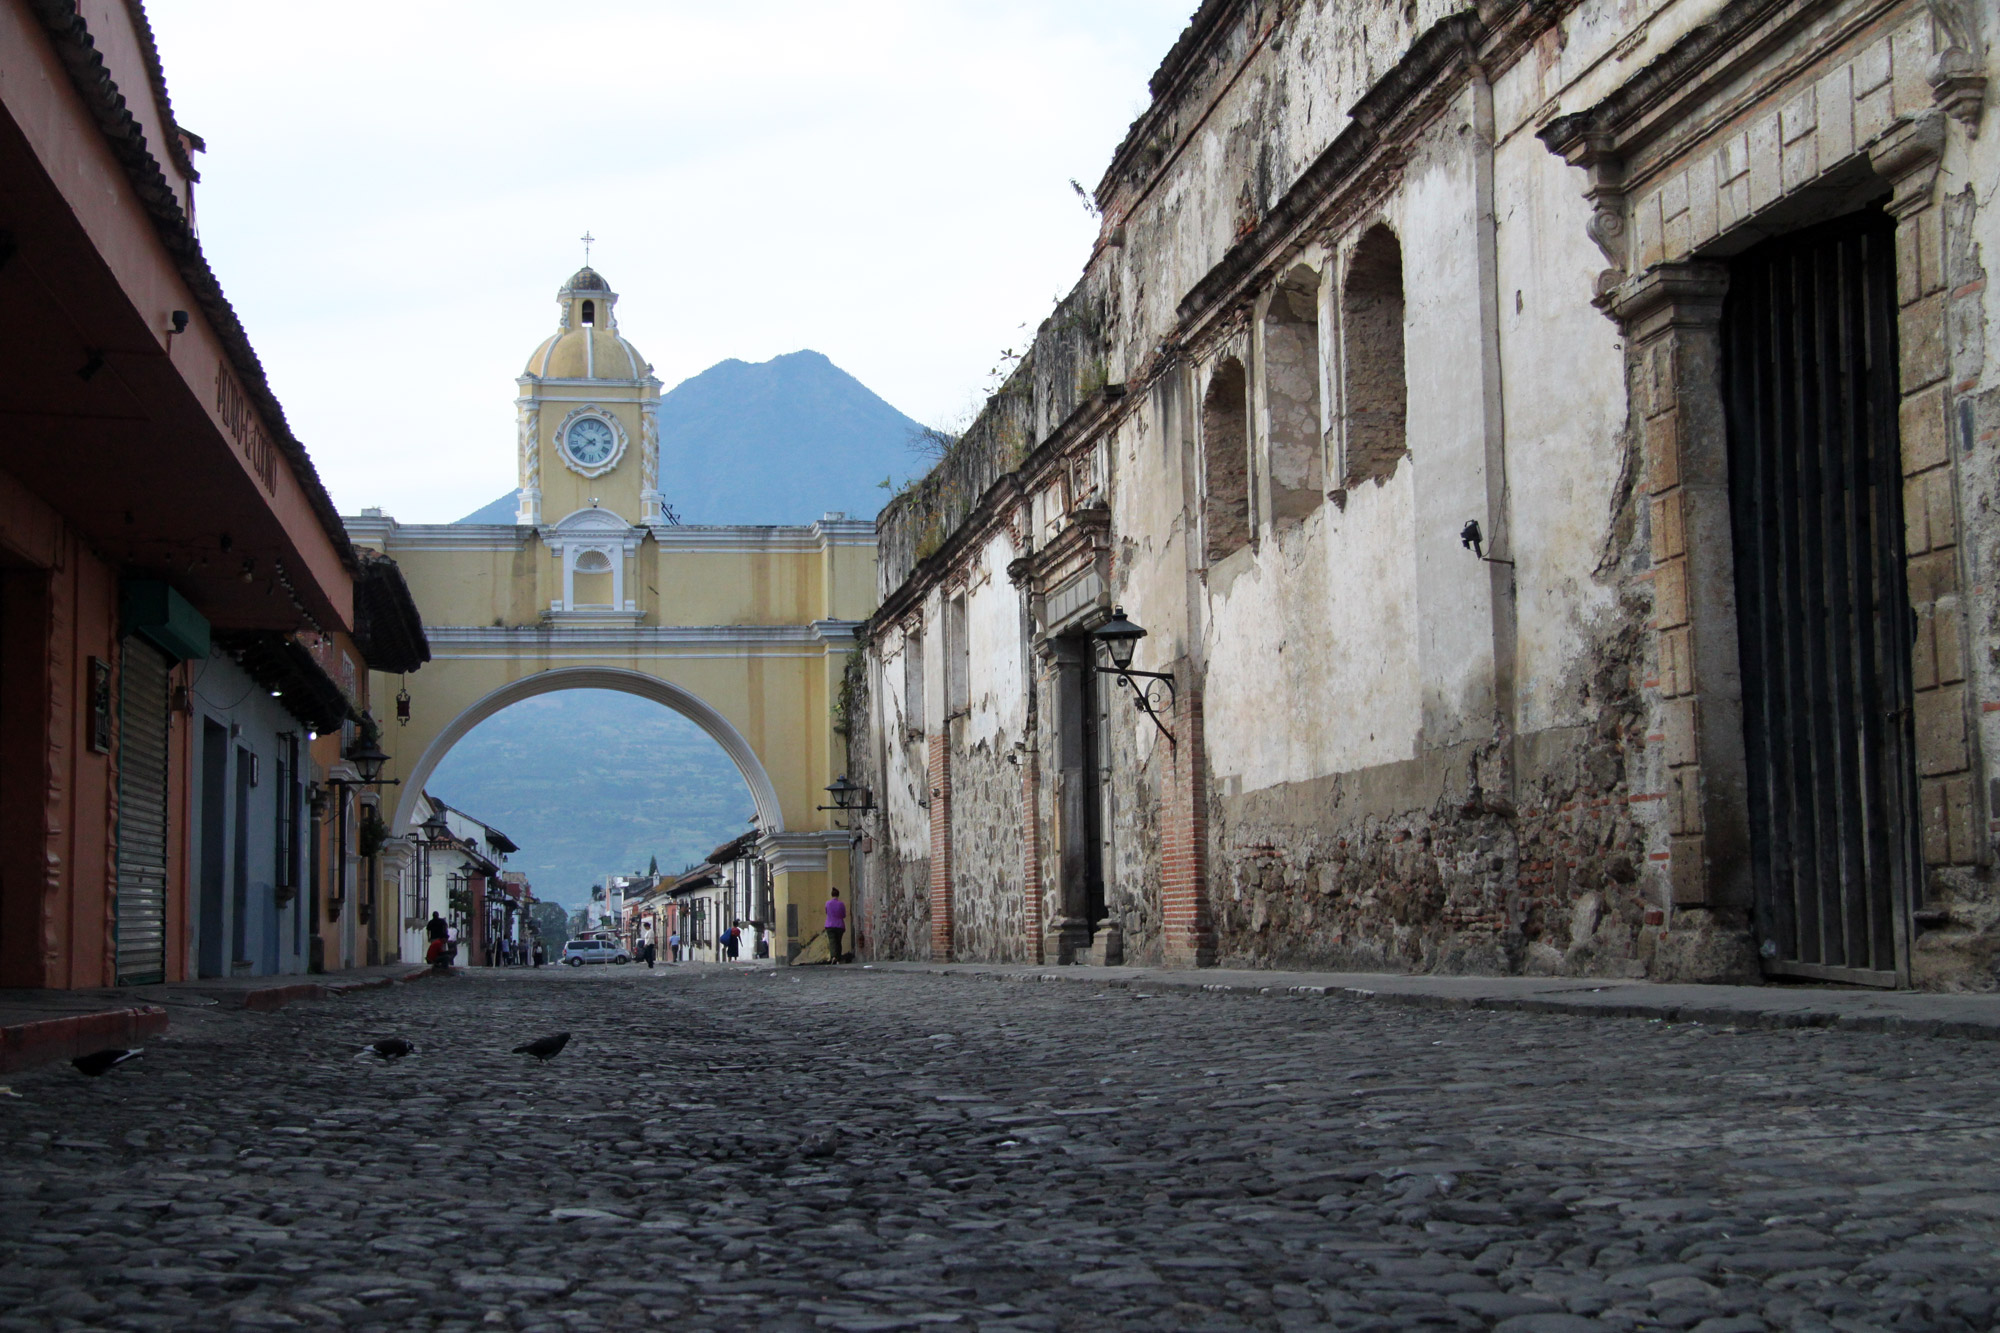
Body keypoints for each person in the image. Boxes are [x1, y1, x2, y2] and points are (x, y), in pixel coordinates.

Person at [824, 889, 846, 963]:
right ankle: (838, 958)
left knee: (832, 941)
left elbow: (826, 912)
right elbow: (843, 915)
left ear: (831, 895)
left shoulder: (827, 903)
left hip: (829, 925)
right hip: (839, 925)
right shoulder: (841, 904)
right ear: (838, 895)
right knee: (838, 942)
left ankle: (833, 956)